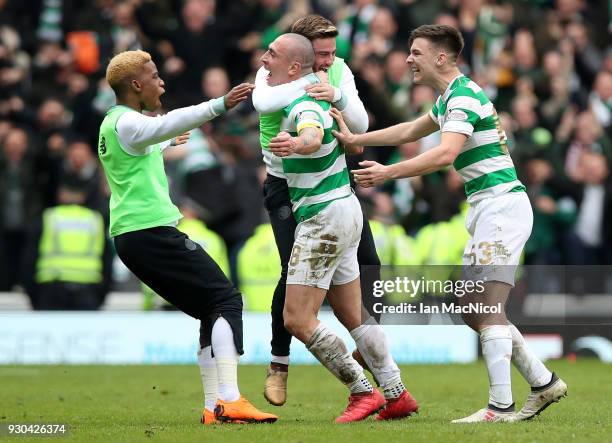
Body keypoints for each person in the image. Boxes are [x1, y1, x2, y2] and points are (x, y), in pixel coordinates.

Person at [332, 25, 567, 423]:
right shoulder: (450, 98)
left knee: (486, 305)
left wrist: (387, 174)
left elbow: (445, 154)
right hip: (489, 209)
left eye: (416, 52)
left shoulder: (463, 96)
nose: (409, 59)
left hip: (502, 208)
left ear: (441, 57)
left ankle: (499, 407)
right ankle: (542, 382)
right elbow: (410, 130)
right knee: (470, 306)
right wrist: (359, 138)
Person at [97, 50, 276, 425]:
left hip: (133, 235)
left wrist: (164, 143)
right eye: (155, 76)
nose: (161, 82)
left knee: (210, 310)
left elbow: (141, 147)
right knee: (226, 299)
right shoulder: (129, 123)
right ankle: (230, 398)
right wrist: (219, 104)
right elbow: (164, 123)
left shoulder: (113, 125)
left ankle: (214, 407)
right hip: (149, 232)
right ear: (135, 85)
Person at [263, 33, 418, 423]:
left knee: (297, 318)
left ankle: (361, 391)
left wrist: (298, 144)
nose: (264, 60)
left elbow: (312, 133)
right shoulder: (319, 96)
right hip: (346, 209)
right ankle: (396, 393)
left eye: (271, 55)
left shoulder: (303, 103)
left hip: (321, 216)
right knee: (354, 316)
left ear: (294, 66)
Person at [251, 13, 382, 409]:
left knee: (370, 263)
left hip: (330, 181)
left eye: (331, 53)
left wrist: (337, 94)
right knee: (289, 272)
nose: (328, 61)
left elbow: (360, 123)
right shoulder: (270, 71)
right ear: (300, 55)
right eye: (321, 54)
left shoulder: (338, 70)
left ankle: (371, 357)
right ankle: (279, 364)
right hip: (286, 186)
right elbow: (263, 102)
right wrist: (313, 84)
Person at [23, 182, 109, 310]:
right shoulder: (95, 219)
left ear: (61, 194)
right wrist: (101, 294)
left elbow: (29, 259)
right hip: (88, 290)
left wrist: (33, 295)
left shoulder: (48, 217)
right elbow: (107, 260)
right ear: (83, 196)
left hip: (51, 290)